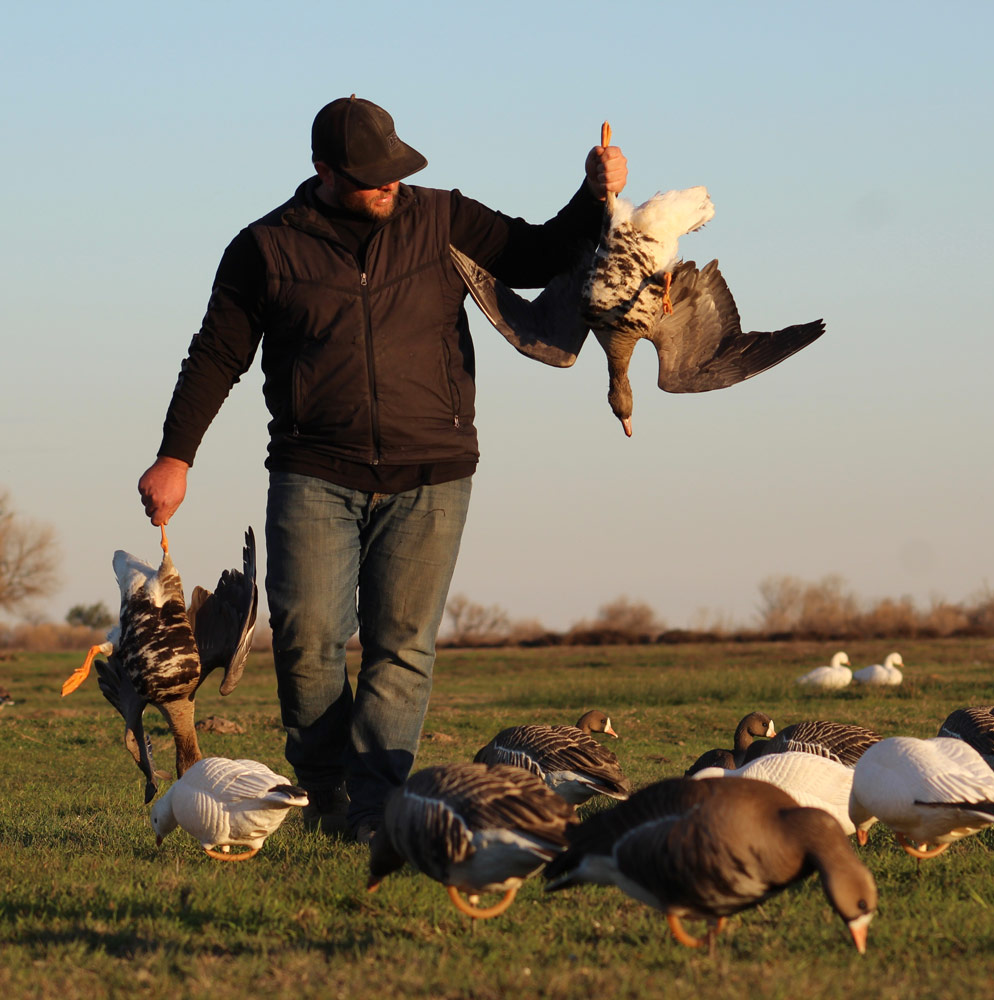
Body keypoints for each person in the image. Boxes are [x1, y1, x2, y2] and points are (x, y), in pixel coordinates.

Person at [137, 95, 628, 842]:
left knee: (402, 648)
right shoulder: (265, 247)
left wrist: (593, 198)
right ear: (323, 171)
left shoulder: (441, 219)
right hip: (314, 471)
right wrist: (176, 454)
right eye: (370, 176)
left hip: (432, 471)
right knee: (306, 638)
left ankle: (374, 810)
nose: (388, 185)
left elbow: (538, 254)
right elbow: (216, 355)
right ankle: (325, 790)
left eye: (395, 170)